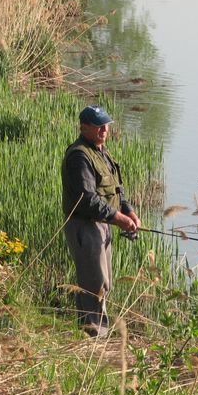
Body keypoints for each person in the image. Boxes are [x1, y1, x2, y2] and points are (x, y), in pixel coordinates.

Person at [61, 105, 141, 338]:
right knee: (93, 284)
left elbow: (116, 191)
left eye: (106, 125)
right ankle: (93, 339)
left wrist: (129, 212)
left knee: (104, 283)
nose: (104, 129)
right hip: (85, 226)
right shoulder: (79, 157)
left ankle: (97, 334)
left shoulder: (100, 151)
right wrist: (118, 218)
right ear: (84, 127)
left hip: (102, 224)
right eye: (98, 126)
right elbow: (87, 199)